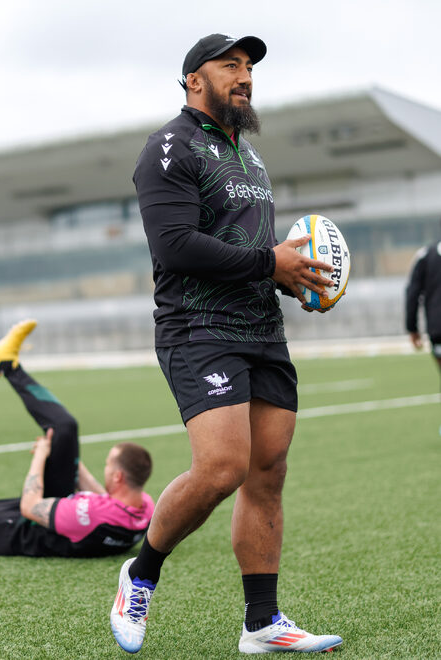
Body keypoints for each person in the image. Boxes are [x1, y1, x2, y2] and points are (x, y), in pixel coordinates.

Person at [110, 33, 342, 654]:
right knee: (221, 469)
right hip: (199, 328)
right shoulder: (169, 147)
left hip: (262, 329)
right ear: (194, 80)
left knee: (268, 471)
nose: (244, 76)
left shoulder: (250, 157)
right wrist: (271, 263)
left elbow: (253, 250)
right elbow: (175, 246)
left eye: (249, 68)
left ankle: (262, 623)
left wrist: (293, 278)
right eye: (230, 66)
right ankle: (141, 574)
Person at [0, 320, 154, 557]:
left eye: (108, 464)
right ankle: (7, 362)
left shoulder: (93, 514)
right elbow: (104, 500)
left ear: (118, 476)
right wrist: (70, 458)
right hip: (56, 510)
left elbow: (29, 506)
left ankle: (7, 364)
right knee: (65, 428)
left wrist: (40, 455)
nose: (105, 468)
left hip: (17, 530)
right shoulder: (143, 510)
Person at [405, 227, 441, 381]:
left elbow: (412, 294)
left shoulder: (425, 255)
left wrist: (412, 328)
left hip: (437, 328)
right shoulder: (424, 255)